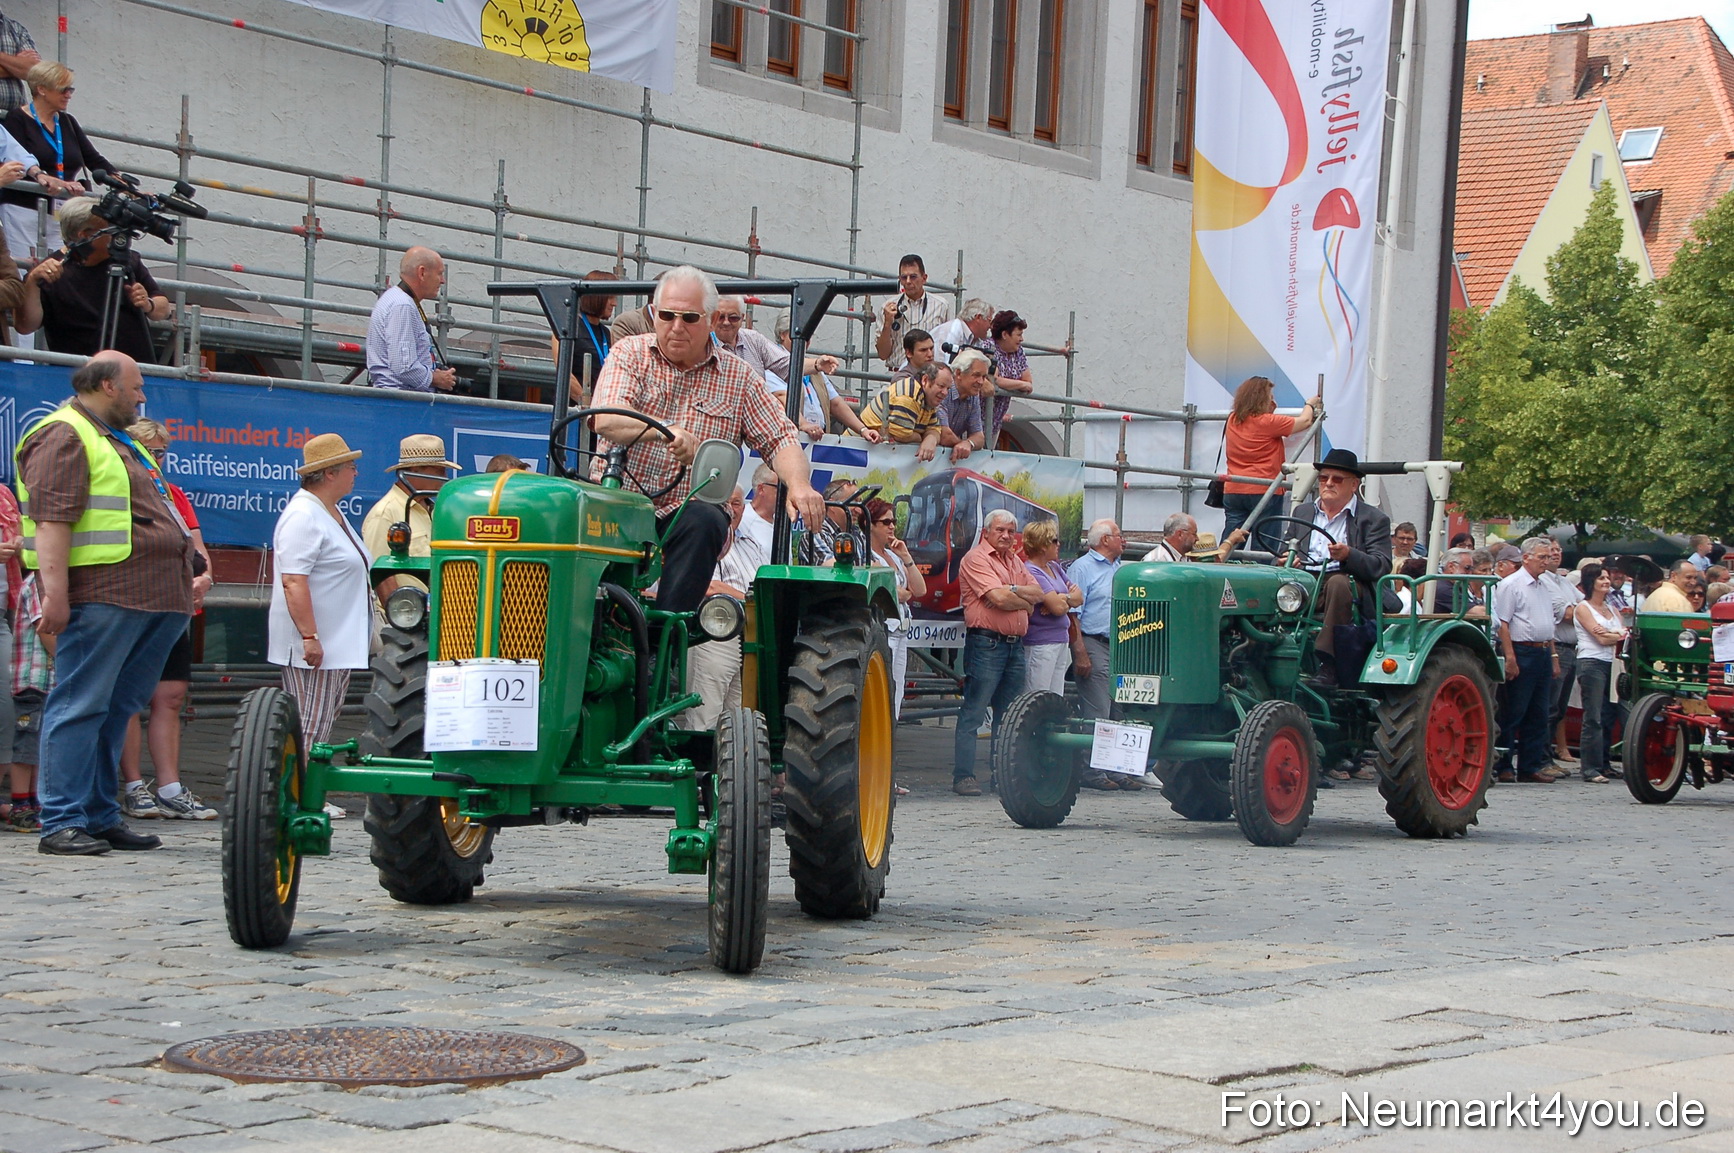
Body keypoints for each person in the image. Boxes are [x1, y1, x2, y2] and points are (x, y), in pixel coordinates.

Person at [15, 352, 194, 855]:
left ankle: (97, 814)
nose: (142, 396)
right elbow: (52, 521)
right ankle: (62, 820)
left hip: (150, 598)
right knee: (80, 705)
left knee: (116, 710)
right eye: (136, 386)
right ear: (108, 386)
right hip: (106, 595)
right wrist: (55, 595)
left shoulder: (115, 438)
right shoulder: (65, 433)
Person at [589, 265, 824, 613]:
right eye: (667, 315)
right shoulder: (630, 353)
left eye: (689, 317)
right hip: (618, 502)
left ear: (712, 320)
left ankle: (666, 634)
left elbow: (781, 438)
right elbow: (605, 417)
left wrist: (800, 484)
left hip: (686, 511)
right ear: (653, 314)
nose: (676, 326)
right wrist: (665, 431)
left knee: (707, 520)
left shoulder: (738, 377)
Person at [117, 419, 216, 821]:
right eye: (151, 452)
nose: (158, 460)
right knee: (127, 698)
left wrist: (205, 577)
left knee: (171, 696)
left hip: (176, 605)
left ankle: (171, 786)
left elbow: (198, 548)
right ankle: (133, 786)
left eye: (163, 453)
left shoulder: (173, 493)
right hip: (137, 604)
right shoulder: (122, 490)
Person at [269, 434, 376, 771]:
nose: (355, 473)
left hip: (336, 639)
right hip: (317, 642)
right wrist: (309, 636)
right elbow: (293, 580)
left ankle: (309, 790)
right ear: (329, 473)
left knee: (322, 719)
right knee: (308, 722)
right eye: (350, 467)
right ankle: (299, 796)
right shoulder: (304, 515)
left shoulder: (328, 511)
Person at [1280, 449, 1395, 690]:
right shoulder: (1303, 512)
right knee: (1270, 581)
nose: (1328, 483)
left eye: (1337, 479)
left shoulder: (1373, 519)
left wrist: (1349, 555)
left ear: (1354, 485)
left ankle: (1328, 664)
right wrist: (1285, 561)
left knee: (1338, 584)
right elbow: (1286, 550)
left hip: (1350, 584)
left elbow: (1381, 565)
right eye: (1323, 478)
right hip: (1305, 582)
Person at [15, 197, 171, 362]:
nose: (120, 236)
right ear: (84, 235)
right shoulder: (51, 271)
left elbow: (164, 309)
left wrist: (148, 305)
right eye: (111, 230)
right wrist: (32, 283)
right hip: (80, 374)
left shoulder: (127, 261)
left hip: (133, 371)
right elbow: (25, 326)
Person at [954, 510, 1038, 797]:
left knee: (1009, 714)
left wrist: (1015, 592)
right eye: (1000, 530)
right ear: (986, 531)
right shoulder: (976, 558)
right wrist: (1022, 601)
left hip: (1015, 646)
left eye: (1010, 531)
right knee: (974, 712)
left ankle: (1000, 777)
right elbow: (998, 598)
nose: (1005, 536)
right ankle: (963, 776)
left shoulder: (1014, 560)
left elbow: (1038, 592)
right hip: (986, 644)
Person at [1, 61, 109, 267]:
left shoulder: (67, 121)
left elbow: (95, 160)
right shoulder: (18, 118)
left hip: (62, 208)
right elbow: (15, 157)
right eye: (63, 89)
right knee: (26, 267)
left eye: (71, 89)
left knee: (60, 268)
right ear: (41, 89)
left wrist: (126, 185)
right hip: (24, 207)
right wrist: (41, 176)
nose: (69, 94)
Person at [682, 485, 764, 732]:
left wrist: (733, 593)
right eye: (724, 502)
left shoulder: (752, 544)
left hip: (749, 635)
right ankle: (698, 769)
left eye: (737, 503)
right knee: (705, 714)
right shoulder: (699, 539)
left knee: (739, 718)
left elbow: (762, 589)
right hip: (714, 633)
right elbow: (706, 587)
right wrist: (748, 599)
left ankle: (729, 769)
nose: (731, 509)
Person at [1223, 376, 1321, 555]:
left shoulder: (1232, 420)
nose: (1273, 400)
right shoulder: (1267, 422)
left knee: (1231, 541)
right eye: (1270, 396)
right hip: (1264, 489)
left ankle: (1221, 573)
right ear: (1261, 399)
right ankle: (1259, 581)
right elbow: (1305, 422)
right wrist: (1309, 404)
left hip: (1234, 489)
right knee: (1263, 546)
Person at [1494, 537, 1561, 784]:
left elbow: (1549, 624)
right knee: (1514, 710)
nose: (1546, 561)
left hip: (1542, 650)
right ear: (1526, 558)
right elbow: (1503, 623)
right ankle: (1504, 764)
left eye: (1548, 557)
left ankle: (1530, 765)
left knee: (1539, 712)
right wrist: (1510, 657)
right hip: (1522, 651)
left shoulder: (1543, 586)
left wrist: (1553, 656)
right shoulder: (1511, 585)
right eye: (1541, 557)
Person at [362, 434, 459, 595]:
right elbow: (381, 576)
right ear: (415, 470)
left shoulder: (434, 510)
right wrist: (403, 617)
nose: (445, 478)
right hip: (407, 615)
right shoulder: (385, 513)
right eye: (440, 471)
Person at [768, 312, 879, 442]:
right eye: (800, 334)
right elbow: (782, 397)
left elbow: (835, 403)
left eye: (808, 336)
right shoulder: (771, 362)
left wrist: (862, 429)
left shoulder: (813, 367)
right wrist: (804, 424)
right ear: (783, 335)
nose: (806, 341)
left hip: (815, 438)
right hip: (789, 440)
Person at [866, 497, 925, 718]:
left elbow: (919, 590)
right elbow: (896, 592)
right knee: (881, 686)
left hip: (901, 629)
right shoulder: (866, 556)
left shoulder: (892, 555)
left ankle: (891, 733)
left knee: (897, 689)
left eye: (894, 522)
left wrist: (906, 557)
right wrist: (903, 593)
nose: (892, 526)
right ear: (870, 525)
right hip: (885, 629)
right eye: (886, 522)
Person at [367, 247, 455, 392]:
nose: (443, 281)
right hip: (402, 403)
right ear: (422, 273)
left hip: (397, 400)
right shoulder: (403, 305)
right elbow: (404, 367)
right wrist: (435, 378)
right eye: (440, 274)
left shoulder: (396, 299)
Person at [1573, 562, 1627, 785]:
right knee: (1593, 716)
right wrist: (1615, 634)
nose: (1605, 582)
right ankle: (1590, 767)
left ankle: (1605, 762)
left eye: (1606, 578)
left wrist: (1611, 633)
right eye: (1600, 578)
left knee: (1608, 715)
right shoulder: (1583, 608)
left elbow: (1622, 635)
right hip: (1591, 662)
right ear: (1590, 583)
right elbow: (1601, 638)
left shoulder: (1612, 609)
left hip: (1612, 663)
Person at [1067, 519, 1124, 728]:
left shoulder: (1118, 567)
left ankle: (1114, 759)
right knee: (1099, 711)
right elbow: (1072, 615)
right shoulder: (1081, 569)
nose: (1123, 541)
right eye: (1119, 536)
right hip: (1093, 643)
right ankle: (1090, 759)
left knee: (1120, 711)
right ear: (1105, 540)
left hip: (1120, 646)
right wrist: (1080, 652)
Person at [1020, 519, 1082, 696]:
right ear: (1042, 546)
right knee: (1037, 696)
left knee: (1056, 696)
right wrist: (1061, 601)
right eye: (1054, 540)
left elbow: (1079, 598)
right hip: (1041, 643)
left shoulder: (1054, 567)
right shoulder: (1032, 570)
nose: (1059, 544)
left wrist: (1063, 598)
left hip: (1061, 640)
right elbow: (1057, 608)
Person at [711, 295, 836, 383]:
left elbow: (786, 364)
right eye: (721, 317)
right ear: (713, 317)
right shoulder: (705, 343)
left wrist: (817, 364)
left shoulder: (753, 339)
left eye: (733, 317)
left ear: (742, 318)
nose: (726, 322)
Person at [875, 254, 952, 371]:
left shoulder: (941, 306)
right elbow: (883, 354)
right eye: (904, 277)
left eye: (913, 276)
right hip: (898, 374)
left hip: (930, 376)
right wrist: (887, 324)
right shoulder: (888, 307)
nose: (908, 282)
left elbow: (945, 348)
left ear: (924, 278)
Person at [552, 269, 616, 404]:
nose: (614, 303)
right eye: (610, 297)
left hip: (600, 408)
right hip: (574, 411)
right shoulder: (566, 327)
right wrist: (588, 404)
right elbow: (565, 374)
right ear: (597, 297)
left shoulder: (606, 332)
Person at [860, 363, 950, 459]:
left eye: (948, 388)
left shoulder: (928, 398)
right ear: (925, 380)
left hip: (873, 452)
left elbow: (935, 429)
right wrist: (921, 438)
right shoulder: (909, 396)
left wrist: (931, 439)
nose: (945, 393)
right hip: (861, 448)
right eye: (941, 386)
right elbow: (901, 435)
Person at [986, 310, 1036, 447]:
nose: (1022, 339)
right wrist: (1020, 385)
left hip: (996, 419)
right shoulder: (988, 348)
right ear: (1004, 335)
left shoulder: (1018, 352)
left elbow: (1028, 381)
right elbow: (994, 380)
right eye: (1018, 335)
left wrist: (1012, 383)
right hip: (978, 418)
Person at [938, 350, 991, 460]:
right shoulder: (943, 391)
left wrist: (968, 444)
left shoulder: (973, 396)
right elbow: (944, 435)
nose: (981, 382)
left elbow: (979, 438)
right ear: (958, 373)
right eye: (976, 375)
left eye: (984, 377)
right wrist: (963, 444)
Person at [0, 7, 39, 114]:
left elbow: (35, 71)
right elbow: (26, 69)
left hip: (13, 119)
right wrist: (17, 65)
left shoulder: (16, 29)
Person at [930, 298, 995, 362]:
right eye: (989, 321)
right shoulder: (952, 331)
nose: (990, 327)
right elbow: (943, 365)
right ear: (978, 317)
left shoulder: (977, 339)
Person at [739, 461, 777, 558]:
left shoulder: (781, 523)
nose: (786, 494)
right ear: (761, 489)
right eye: (779, 488)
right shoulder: (741, 520)